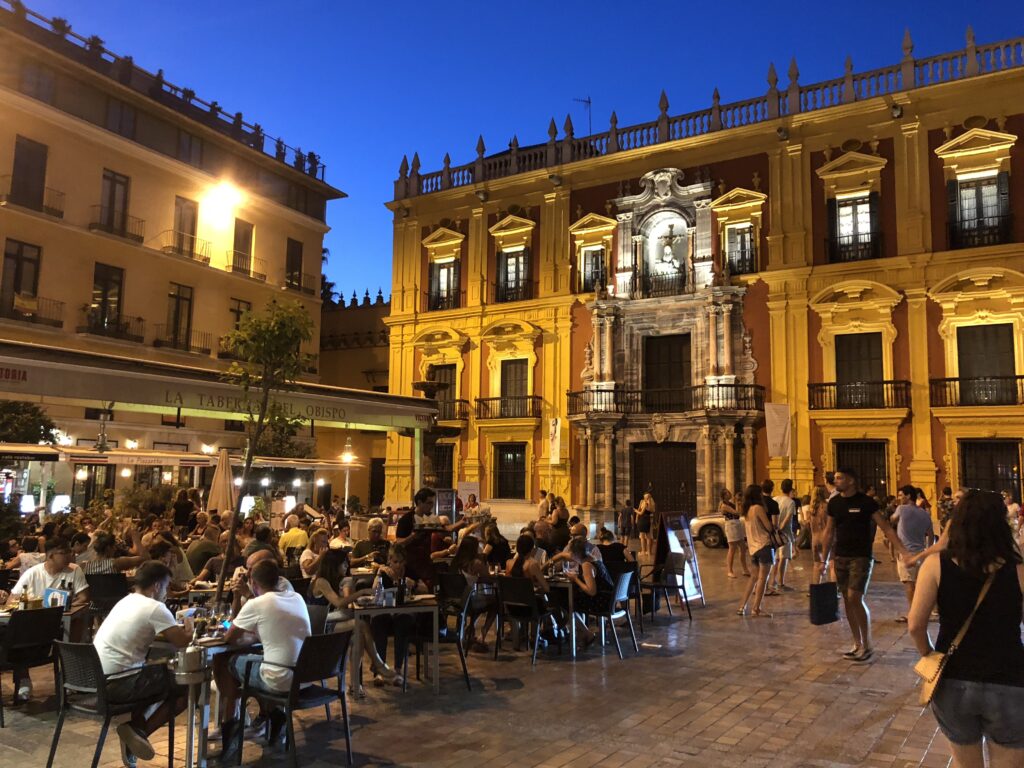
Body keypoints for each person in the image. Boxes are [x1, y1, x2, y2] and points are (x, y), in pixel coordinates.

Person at [907, 489, 1024, 767]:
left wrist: (928, 656)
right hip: (1009, 677)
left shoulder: (936, 564)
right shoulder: (1018, 568)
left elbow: (915, 625)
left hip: (953, 677)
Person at [93, 560, 191, 767]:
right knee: (186, 687)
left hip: (96, 680)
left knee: (154, 672)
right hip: (119, 684)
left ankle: (135, 734)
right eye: (166, 586)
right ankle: (138, 733)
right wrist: (190, 628)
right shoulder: (155, 608)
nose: (167, 592)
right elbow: (182, 642)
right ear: (156, 586)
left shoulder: (125, 601)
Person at [215, 559, 311, 761]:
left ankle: (231, 730)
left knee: (225, 662)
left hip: (281, 678)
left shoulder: (256, 603)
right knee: (253, 664)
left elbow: (228, 638)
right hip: (306, 676)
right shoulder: (297, 597)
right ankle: (274, 715)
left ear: (253, 582)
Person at [823, 467, 909, 663]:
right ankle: (857, 643)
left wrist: (903, 551)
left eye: (840, 478)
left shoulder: (866, 503)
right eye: (835, 478)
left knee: (855, 596)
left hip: (861, 557)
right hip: (841, 557)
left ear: (851, 481)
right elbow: (829, 532)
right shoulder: (834, 503)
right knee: (846, 599)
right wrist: (822, 558)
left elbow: (886, 528)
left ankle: (868, 644)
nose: (835, 481)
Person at [1, 538, 90, 702]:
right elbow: (11, 600)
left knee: (77, 622)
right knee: (14, 632)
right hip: (31, 627)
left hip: (59, 624)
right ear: (50, 556)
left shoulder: (74, 570)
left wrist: (65, 605)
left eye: (69, 552)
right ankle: (23, 679)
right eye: (63, 553)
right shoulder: (33, 573)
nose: (69, 556)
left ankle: (70, 676)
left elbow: (84, 598)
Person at [308, 548, 398, 685]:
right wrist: (362, 592)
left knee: (358, 637)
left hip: (329, 623)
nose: (346, 567)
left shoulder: (333, 580)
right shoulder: (320, 582)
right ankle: (378, 664)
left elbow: (342, 605)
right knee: (361, 624)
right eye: (344, 564)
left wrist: (348, 586)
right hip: (319, 629)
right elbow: (339, 602)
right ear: (334, 565)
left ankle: (355, 686)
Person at [891, 485, 935, 623]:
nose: (899, 498)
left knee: (909, 585)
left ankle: (913, 614)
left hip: (906, 553)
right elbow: (931, 535)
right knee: (920, 584)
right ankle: (925, 611)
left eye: (901, 495)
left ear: (908, 496)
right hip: (921, 553)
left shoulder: (902, 509)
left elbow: (892, 519)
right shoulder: (924, 514)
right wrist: (927, 552)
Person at [564, 538, 614, 650]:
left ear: (575, 553)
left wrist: (575, 579)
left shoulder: (586, 565)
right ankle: (584, 634)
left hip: (601, 603)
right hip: (609, 599)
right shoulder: (594, 559)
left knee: (566, 604)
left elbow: (592, 591)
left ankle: (586, 634)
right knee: (571, 601)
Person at [451, 535, 497, 651]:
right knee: (496, 601)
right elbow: (488, 579)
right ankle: (484, 632)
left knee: (479, 601)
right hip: (470, 601)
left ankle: (470, 630)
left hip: (456, 601)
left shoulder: (455, 562)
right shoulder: (476, 563)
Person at [737, 485, 774, 618]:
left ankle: (742, 606)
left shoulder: (746, 510)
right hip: (763, 545)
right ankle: (756, 608)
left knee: (753, 578)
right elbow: (769, 527)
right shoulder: (758, 508)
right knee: (763, 579)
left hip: (753, 548)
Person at [767, 479, 797, 593]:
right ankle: (780, 582)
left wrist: (774, 529)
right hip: (785, 534)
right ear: (791, 488)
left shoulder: (774, 499)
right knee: (783, 559)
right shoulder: (790, 502)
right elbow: (788, 518)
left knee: (776, 558)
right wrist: (780, 529)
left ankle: (772, 581)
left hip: (774, 533)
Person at [82, 527, 149, 575]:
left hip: (94, 595)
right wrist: (135, 537)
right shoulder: (116, 563)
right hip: (115, 594)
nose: (115, 549)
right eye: (114, 546)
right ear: (108, 548)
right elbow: (145, 558)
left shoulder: (84, 566)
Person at [721, 489, 750, 579]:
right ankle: (730, 570)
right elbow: (736, 512)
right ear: (724, 495)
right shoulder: (724, 505)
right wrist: (738, 502)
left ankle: (745, 569)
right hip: (731, 525)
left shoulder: (730, 503)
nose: (729, 493)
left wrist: (739, 502)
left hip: (737, 524)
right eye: (727, 493)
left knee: (743, 547)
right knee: (732, 549)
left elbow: (740, 513)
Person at [808, 485, 831, 586]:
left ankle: (815, 587)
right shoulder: (827, 506)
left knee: (816, 564)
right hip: (825, 538)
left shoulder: (811, 508)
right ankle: (834, 588)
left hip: (815, 538)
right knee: (831, 564)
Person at [636, 492, 655, 557]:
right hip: (648, 520)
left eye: (645, 497)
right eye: (644, 497)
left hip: (644, 520)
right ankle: (649, 552)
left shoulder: (646, 503)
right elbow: (652, 511)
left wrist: (635, 511)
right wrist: (636, 518)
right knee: (649, 537)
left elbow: (640, 512)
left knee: (643, 536)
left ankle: (644, 551)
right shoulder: (650, 503)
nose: (644, 498)